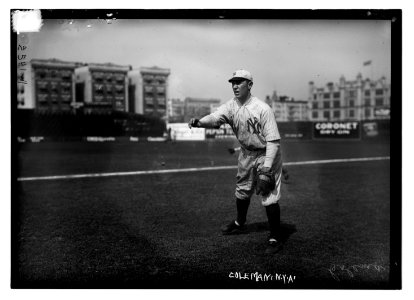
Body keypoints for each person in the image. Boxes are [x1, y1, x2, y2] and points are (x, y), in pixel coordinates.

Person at [188, 69, 284, 254]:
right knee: (242, 190)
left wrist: (266, 167)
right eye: (233, 82)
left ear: (249, 85)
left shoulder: (263, 109)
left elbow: (273, 141)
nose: (235, 85)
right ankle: (240, 222)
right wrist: (200, 123)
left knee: (268, 192)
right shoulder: (230, 106)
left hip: (266, 152)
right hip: (247, 153)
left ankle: (275, 237)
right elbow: (215, 117)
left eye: (239, 82)